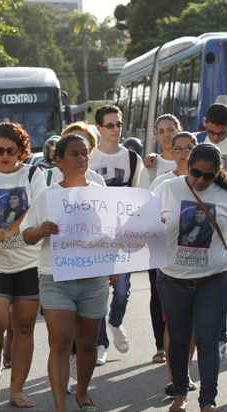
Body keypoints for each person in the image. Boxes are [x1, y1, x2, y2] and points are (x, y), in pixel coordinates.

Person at [21, 134, 109, 412]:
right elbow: (27, 235)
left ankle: (82, 393)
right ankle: (60, 406)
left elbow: (112, 230)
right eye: (74, 154)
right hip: (56, 279)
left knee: (87, 344)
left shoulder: (99, 190)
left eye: (85, 153)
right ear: (59, 160)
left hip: (93, 279)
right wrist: (42, 230)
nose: (82, 159)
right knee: (60, 341)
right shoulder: (48, 196)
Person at [154, 143, 227, 412]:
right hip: (172, 279)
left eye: (208, 176)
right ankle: (179, 395)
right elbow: (141, 224)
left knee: (208, 340)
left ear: (217, 174)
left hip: (213, 280)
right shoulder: (166, 188)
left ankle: (207, 401)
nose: (200, 180)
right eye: (196, 173)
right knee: (177, 341)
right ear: (188, 165)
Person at [0, 122, 40, 408]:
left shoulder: (34, 174)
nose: (4, 155)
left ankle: (17, 388)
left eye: (11, 150)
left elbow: (36, 209)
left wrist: (12, 229)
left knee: (24, 326)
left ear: (22, 152)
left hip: (28, 260)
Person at [90, 105, 148, 365]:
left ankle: (115, 322)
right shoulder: (88, 157)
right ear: (99, 128)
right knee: (99, 290)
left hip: (123, 235)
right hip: (95, 237)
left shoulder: (132, 158)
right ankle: (100, 343)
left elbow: (141, 195)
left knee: (122, 290)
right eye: (110, 125)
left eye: (119, 124)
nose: (116, 129)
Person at [148, 132, 197, 367]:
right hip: (169, 263)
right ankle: (174, 376)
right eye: (178, 148)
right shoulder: (163, 182)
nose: (183, 153)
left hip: (200, 262)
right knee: (174, 321)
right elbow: (148, 216)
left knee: (194, 324)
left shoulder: (209, 181)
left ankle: (184, 370)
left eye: (188, 148)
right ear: (172, 151)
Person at [196, 104, 227, 360]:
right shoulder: (198, 142)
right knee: (219, 281)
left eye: (221, 134)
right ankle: (220, 336)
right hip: (206, 219)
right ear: (205, 122)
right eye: (211, 131)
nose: (215, 138)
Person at [143, 114, 182, 181]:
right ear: (157, 136)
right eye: (161, 131)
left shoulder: (188, 163)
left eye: (170, 130)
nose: (166, 134)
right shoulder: (150, 164)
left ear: (178, 132)